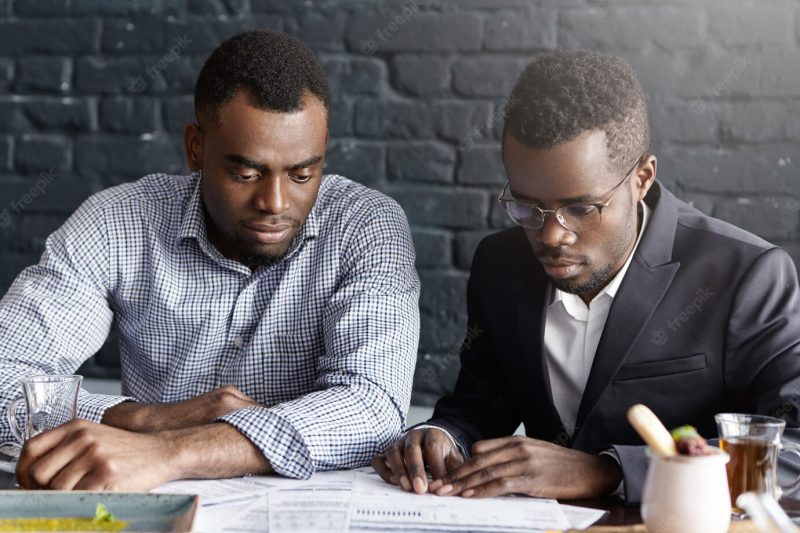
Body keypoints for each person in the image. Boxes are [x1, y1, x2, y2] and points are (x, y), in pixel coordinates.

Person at [373, 49, 800, 504]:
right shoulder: (500, 265)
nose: (551, 235)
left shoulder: (746, 275)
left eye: (581, 208)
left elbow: (791, 449)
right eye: (526, 206)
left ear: (642, 178)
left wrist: (608, 472)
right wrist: (441, 436)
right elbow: (482, 407)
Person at [0, 30, 420, 491]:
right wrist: (143, 418)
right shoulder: (115, 223)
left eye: (303, 173)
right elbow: (7, 370)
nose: (275, 202)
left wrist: (171, 450)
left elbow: (373, 405)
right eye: (246, 173)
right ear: (195, 148)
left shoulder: (366, 226)